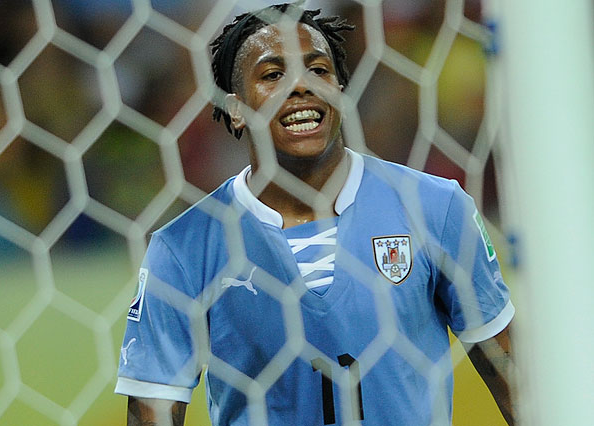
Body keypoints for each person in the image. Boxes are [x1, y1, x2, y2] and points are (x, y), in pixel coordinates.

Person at [115, 3, 516, 425]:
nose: (300, 86)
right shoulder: (184, 248)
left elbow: (515, 381)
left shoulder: (435, 208)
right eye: (273, 74)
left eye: (318, 70)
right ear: (236, 109)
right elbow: (153, 411)